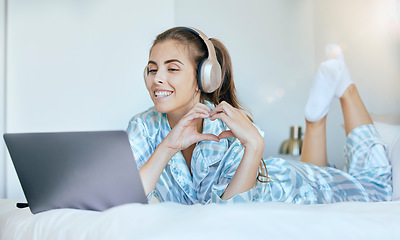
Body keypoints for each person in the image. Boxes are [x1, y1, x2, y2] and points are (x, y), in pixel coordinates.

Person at [126, 27, 392, 204]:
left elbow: (232, 212)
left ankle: (346, 89)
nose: (157, 79)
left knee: (377, 190)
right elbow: (126, 196)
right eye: (152, 70)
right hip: (287, 182)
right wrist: (168, 146)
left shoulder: (224, 127)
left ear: (202, 79)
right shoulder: (143, 125)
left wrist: (254, 145)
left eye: (172, 69)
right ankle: (315, 118)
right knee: (317, 172)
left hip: (286, 189)